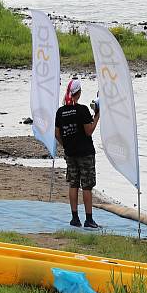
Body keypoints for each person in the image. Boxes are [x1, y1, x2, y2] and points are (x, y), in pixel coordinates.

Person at [54, 78, 100, 229]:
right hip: (85, 153)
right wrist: (97, 116)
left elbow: (57, 134)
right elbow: (89, 131)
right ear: (78, 93)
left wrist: (65, 145)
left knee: (73, 184)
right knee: (87, 186)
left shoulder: (60, 112)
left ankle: (74, 218)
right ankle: (89, 219)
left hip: (70, 153)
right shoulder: (83, 110)